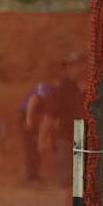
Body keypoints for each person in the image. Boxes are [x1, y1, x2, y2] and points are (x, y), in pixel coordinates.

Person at [17, 52, 85, 186]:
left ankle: (35, 176)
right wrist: (29, 121)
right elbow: (33, 101)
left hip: (35, 118)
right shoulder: (48, 87)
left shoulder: (60, 89)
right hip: (26, 116)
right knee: (31, 147)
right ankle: (32, 177)